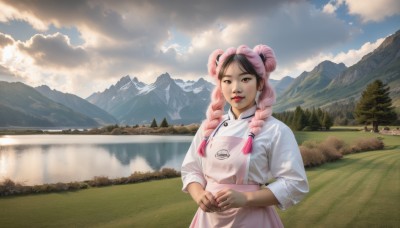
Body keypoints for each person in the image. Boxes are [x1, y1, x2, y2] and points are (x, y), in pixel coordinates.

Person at [181, 44, 309, 228]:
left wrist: (246, 198)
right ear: (220, 85)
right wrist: (199, 195)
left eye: (245, 79)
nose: (235, 88)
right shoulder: (209, 128)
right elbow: (191, 169)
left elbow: (295, 183)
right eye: (227, 81)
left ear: (261, 83)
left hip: (253, 221)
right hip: (207, 221)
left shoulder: (276, 130)